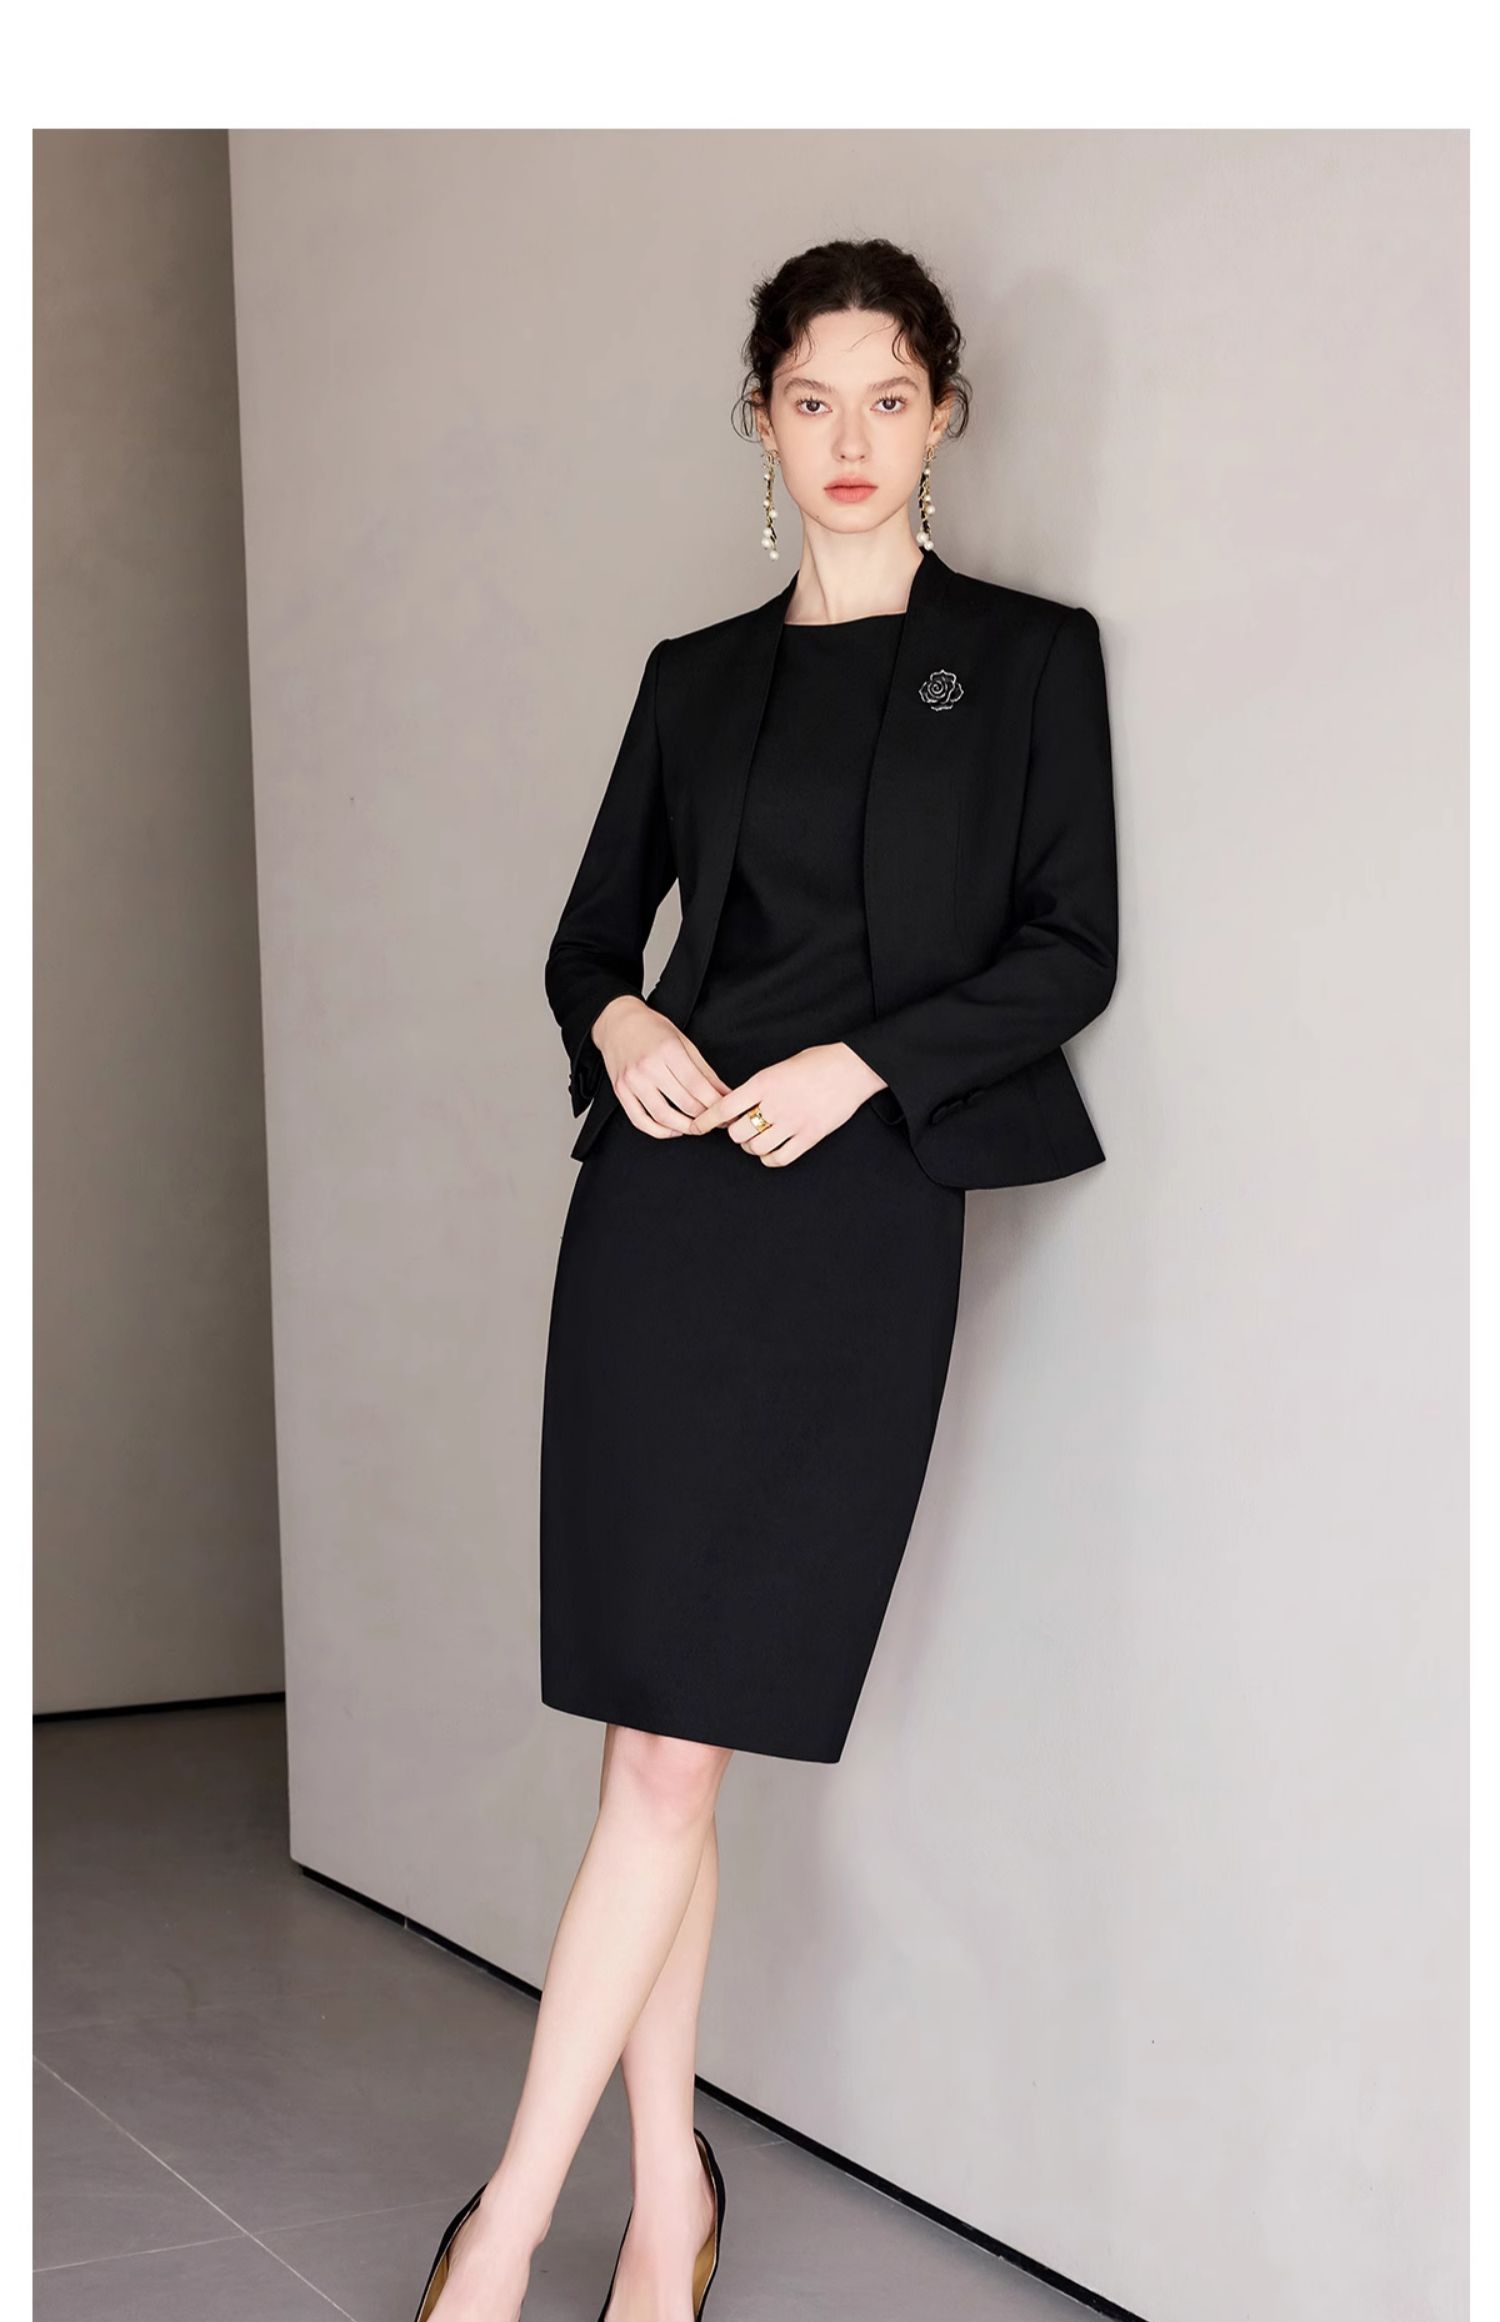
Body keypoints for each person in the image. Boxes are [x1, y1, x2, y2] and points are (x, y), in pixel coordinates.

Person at [414, 235, 1118, 2322]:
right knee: (661, 1748)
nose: (850, 437)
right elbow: (584, 943)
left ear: (945, 414)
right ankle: (660, 2212)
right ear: (762, 419)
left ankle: (506, 2237)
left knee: (670, 1753)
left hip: (854, 1228)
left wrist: (866, 1063)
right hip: (662, 1226)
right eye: (813, 398)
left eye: (889, 396)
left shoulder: (1027, 660)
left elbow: (1069, 950)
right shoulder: (693, 679)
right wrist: (622, 1020)